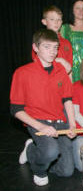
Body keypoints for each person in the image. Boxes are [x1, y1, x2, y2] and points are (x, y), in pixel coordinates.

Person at [10, 29, 76, 186]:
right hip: (37, 120)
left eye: (55, 47)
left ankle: (32, 149)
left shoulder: (62, 71)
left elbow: (67, 100)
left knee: (67, 171)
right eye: (47, 47)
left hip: (60, 121)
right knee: (50, 151)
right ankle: (38, 168)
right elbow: (16, 110)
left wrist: (72, 124)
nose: (52, 52)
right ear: (35, 47)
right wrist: (41, 126)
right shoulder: (22, 73)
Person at [31, 5, 73, 80]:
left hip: (62, 83)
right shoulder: (40, 41)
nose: (56, 22)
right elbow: (37, 64)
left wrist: (70, 87)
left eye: (59, 19)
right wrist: (59, 60)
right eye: (52, 19)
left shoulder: (67, 43)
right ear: (44, 22)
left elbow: (69, 69)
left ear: (62, 22)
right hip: (46, 80)